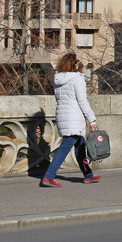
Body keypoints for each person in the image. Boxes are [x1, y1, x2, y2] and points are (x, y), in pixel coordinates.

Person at [40, 52, 100, 187]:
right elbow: (82, 101)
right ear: (74, 65)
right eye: (77, 62)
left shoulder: (58, 79)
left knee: (80, 145)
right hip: (73, 117)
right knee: (65, 147)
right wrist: (92, 119)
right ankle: (49, 176)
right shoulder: (77, 79)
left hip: (62, 115)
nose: (79, 65)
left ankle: (88, 174)